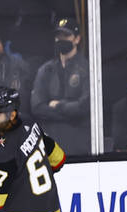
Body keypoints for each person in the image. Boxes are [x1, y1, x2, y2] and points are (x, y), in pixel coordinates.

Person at [30, 18, 90, 155]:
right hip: (50, 142)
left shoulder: (88, 68)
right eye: (58, 36)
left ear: (77, 39)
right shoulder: (45, 70)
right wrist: (70, 113)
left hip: (78, 144)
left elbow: (85, 107)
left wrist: (58, 105)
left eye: (66, 36)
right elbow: (37, 107)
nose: (61, 39)